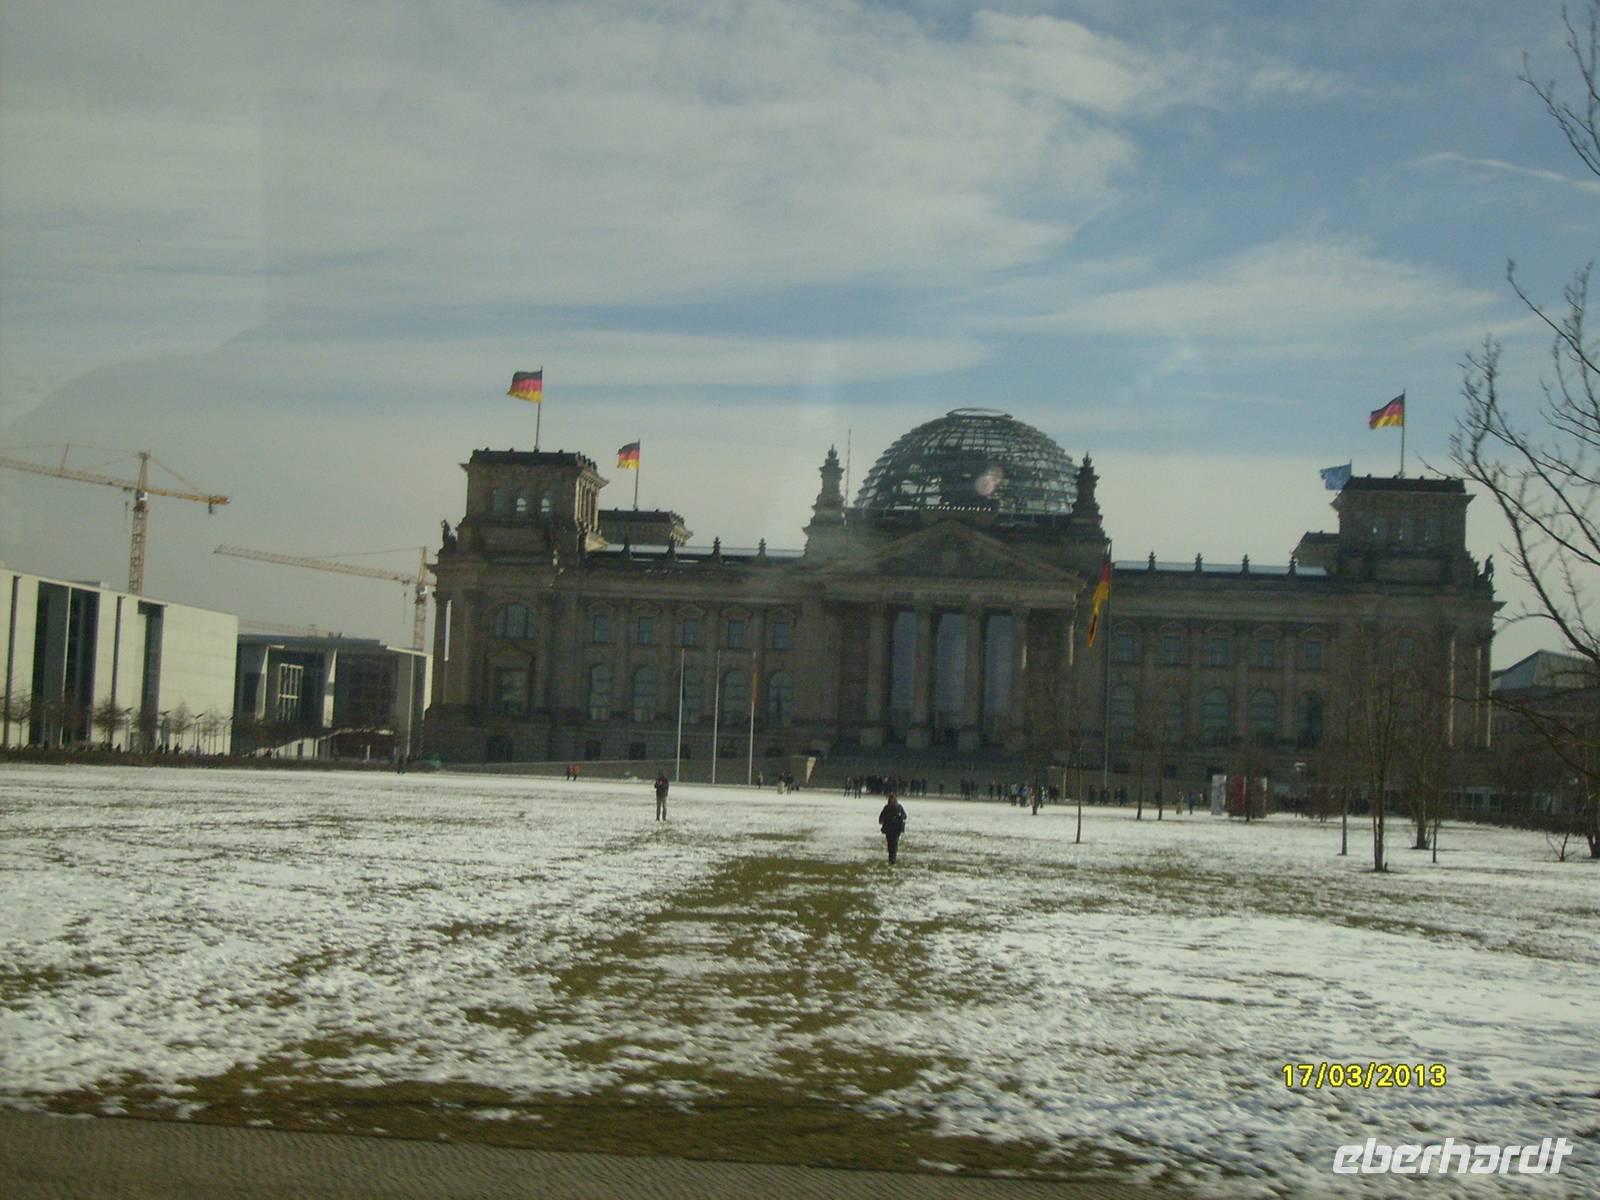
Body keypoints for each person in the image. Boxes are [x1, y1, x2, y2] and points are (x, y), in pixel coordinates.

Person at [878, 790, 907, 865]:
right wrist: (881, 820)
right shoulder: (887, 808)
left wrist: (900, 816)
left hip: (896, 829)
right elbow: (881, 816)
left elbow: (905, 816)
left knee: (894, 844)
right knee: (890, 844)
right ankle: (891, 857)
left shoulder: (899, 807)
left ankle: (892, 859)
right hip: (889, 829)